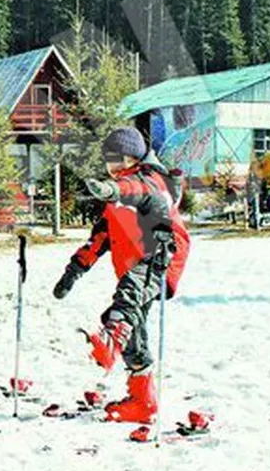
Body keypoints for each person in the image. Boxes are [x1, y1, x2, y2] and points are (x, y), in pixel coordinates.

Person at [51, 127, 191, 425]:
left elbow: (134, 189)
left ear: (134, 156)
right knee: (133, 325)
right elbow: (99, 239)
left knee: (126, 300)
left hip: (160, 257)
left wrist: (112, 190)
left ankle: (113, 341)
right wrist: (73, 271)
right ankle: (142, 401)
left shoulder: (151, 181)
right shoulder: (118, 194)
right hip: (134, 264)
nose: (113, 167)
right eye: (108, 161)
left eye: (119, 159)